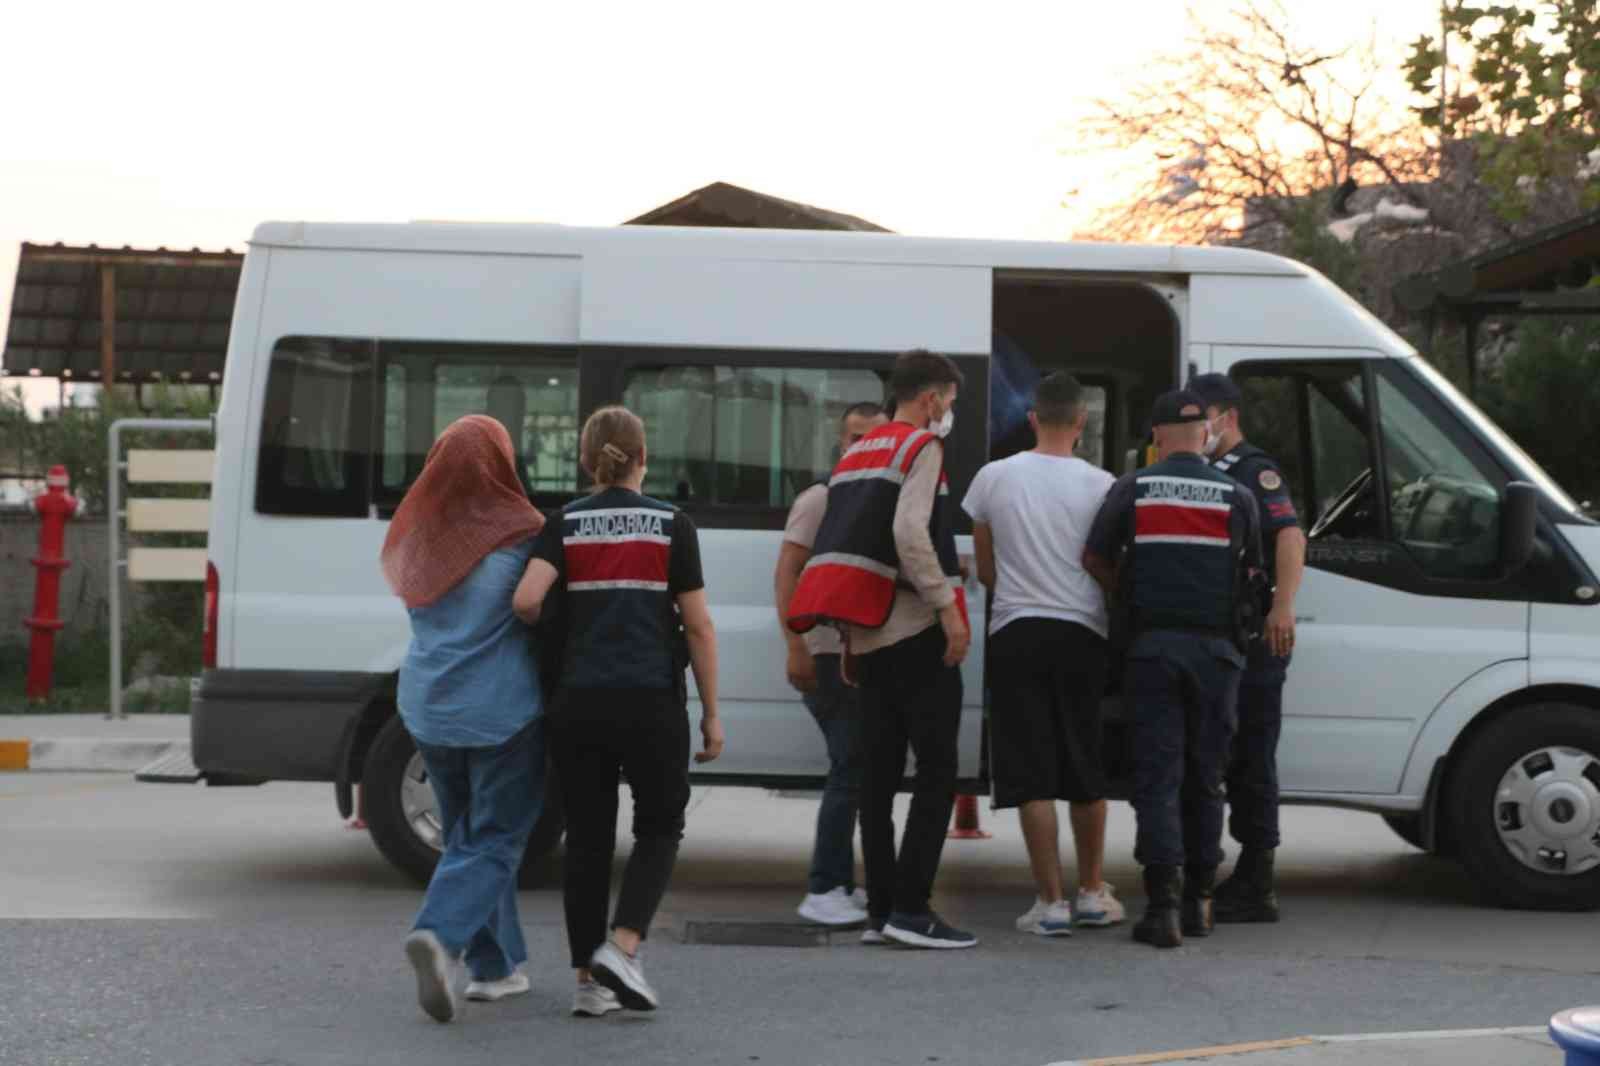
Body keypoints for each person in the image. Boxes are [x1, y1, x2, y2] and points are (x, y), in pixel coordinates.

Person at [513, 405, 724, 1016]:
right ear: (643, 458)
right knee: (660, 826)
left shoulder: (565, 523)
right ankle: (623, 947)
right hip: (652, 699)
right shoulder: (671, 525)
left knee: (587, 840)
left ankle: (586, 983)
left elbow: (526, 601)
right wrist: (712, 712)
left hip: (578, 702)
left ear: (587, 461)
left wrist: (566, 625)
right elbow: (701, 627)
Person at [787, 349, 976, 950]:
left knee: (877, 778)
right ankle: (913, 909)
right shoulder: (922, 448)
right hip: (914, 631)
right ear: (932, 398)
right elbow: (907, 534)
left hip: (865, 636)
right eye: (949, 399)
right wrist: (948, 608)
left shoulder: (856, 455)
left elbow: (844, 547)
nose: (949, 410)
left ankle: (883, 912)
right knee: (938, 770)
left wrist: (848, 637)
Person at [380, 414, 548, 1024]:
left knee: (465, 841)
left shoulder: (420, 534)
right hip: (500, 710)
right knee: (497, 840)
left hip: (427, 705)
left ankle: (494, 968)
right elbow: (542, 609)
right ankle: (438, 934)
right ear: (500, 463)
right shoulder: (524, 533)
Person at [1083, 390, 1262, 950]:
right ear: (1205, 434)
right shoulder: (1238, 495)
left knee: (1157, 779)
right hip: (1218, 656)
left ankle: (1162, 910)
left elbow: (1094, 555)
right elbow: (1253, 573)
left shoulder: (1133, 488)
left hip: (1152, 650)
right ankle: (1201, 902)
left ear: (1156, 437)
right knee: (1206, 779)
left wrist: (1128, 597)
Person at [962, 372, 1126, 937]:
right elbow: (1109, 564)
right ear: (1082, 422)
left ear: (1033, 418)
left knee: (1031, 771)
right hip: (1082, 634)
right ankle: (1090, 891)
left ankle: (1049, 904)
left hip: (1016, 632)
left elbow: (985, 570)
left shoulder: (993, 478)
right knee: (1083, 764)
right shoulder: (1105, 485)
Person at [1189, 373, 1305, 924]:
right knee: (1221, 754)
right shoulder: (1207, 470)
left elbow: (1289, 534)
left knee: (1252, 758)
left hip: (1256, 636)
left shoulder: (1255, 468)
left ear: (1226, 417)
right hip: (1220, 636)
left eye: (1202, 416)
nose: (1197, 428)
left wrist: (1283, 606)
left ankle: (1258, 882)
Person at [775, 401, 889, 927]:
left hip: (853, 655)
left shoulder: (867, 499)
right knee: (850, 767)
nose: (860, 446)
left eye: (871, 438)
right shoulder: (821, 498)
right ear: (840, 442)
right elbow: (787, 570)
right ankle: (824, 887)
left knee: (856, 767)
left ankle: (840, 881)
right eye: (854, 437)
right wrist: (795, 644)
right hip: (823, 655)